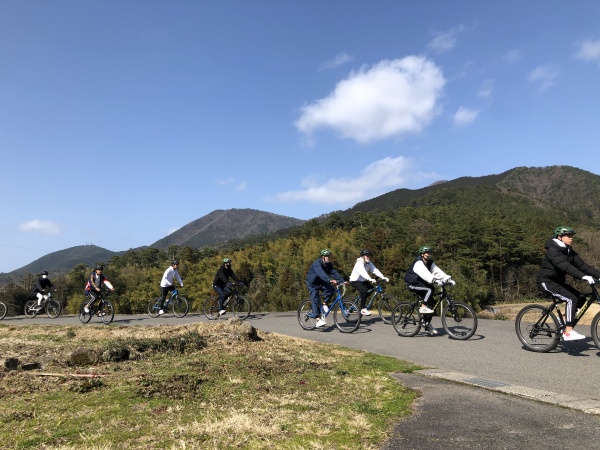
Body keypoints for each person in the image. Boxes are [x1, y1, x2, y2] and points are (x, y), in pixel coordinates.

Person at [537, 226, 600, 341]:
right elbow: (565, 266)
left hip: (559, 282)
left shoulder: (569, 251)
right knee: (571, 299)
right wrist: (583, 277)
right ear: (560, 237)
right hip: (546, 281)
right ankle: (568, 332)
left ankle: (565, 320)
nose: (571, 238)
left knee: (581, 299)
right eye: (568, 236)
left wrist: (598, 276)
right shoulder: (553, 250)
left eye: (572, 236)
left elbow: (582, 266)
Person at [404, 246, 455, 335]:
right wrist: (434, 280)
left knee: (432, 303)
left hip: (419, 283)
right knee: (429, 289)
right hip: (411, 283)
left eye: (430, 253)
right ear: (422, 254)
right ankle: (423, 307)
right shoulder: (418, 262)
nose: (428, 254)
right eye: (427, 253)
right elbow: (425, 274)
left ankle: (426, 323)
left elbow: (437, 271)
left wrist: (447, 278)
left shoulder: (429, 263)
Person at [305, 249, 346, 328]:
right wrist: (329, 280)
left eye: (329, 256)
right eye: (327, 256)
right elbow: (321, 273)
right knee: (315, 299)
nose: (329, 258)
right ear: (323, 257)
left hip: (321, 282)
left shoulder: (328, 264)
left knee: (332, 290)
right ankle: (318, 320)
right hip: (312, 284)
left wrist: (342, 281)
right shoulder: (317, 264)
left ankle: (324, 303)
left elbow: (334, 272)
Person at [349, 249, 389, 316]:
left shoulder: (369, 263)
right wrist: (370, 279)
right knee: (364, 291)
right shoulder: (359, 263)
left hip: (363, 280)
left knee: (371, 289)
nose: (368, 257)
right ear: (363, 256)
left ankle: (362, 300)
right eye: (367, 255)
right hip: (354, 280)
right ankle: (363, 309)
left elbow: (375, 270)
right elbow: (363, 272)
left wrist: (383, 277)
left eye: (369, 256)